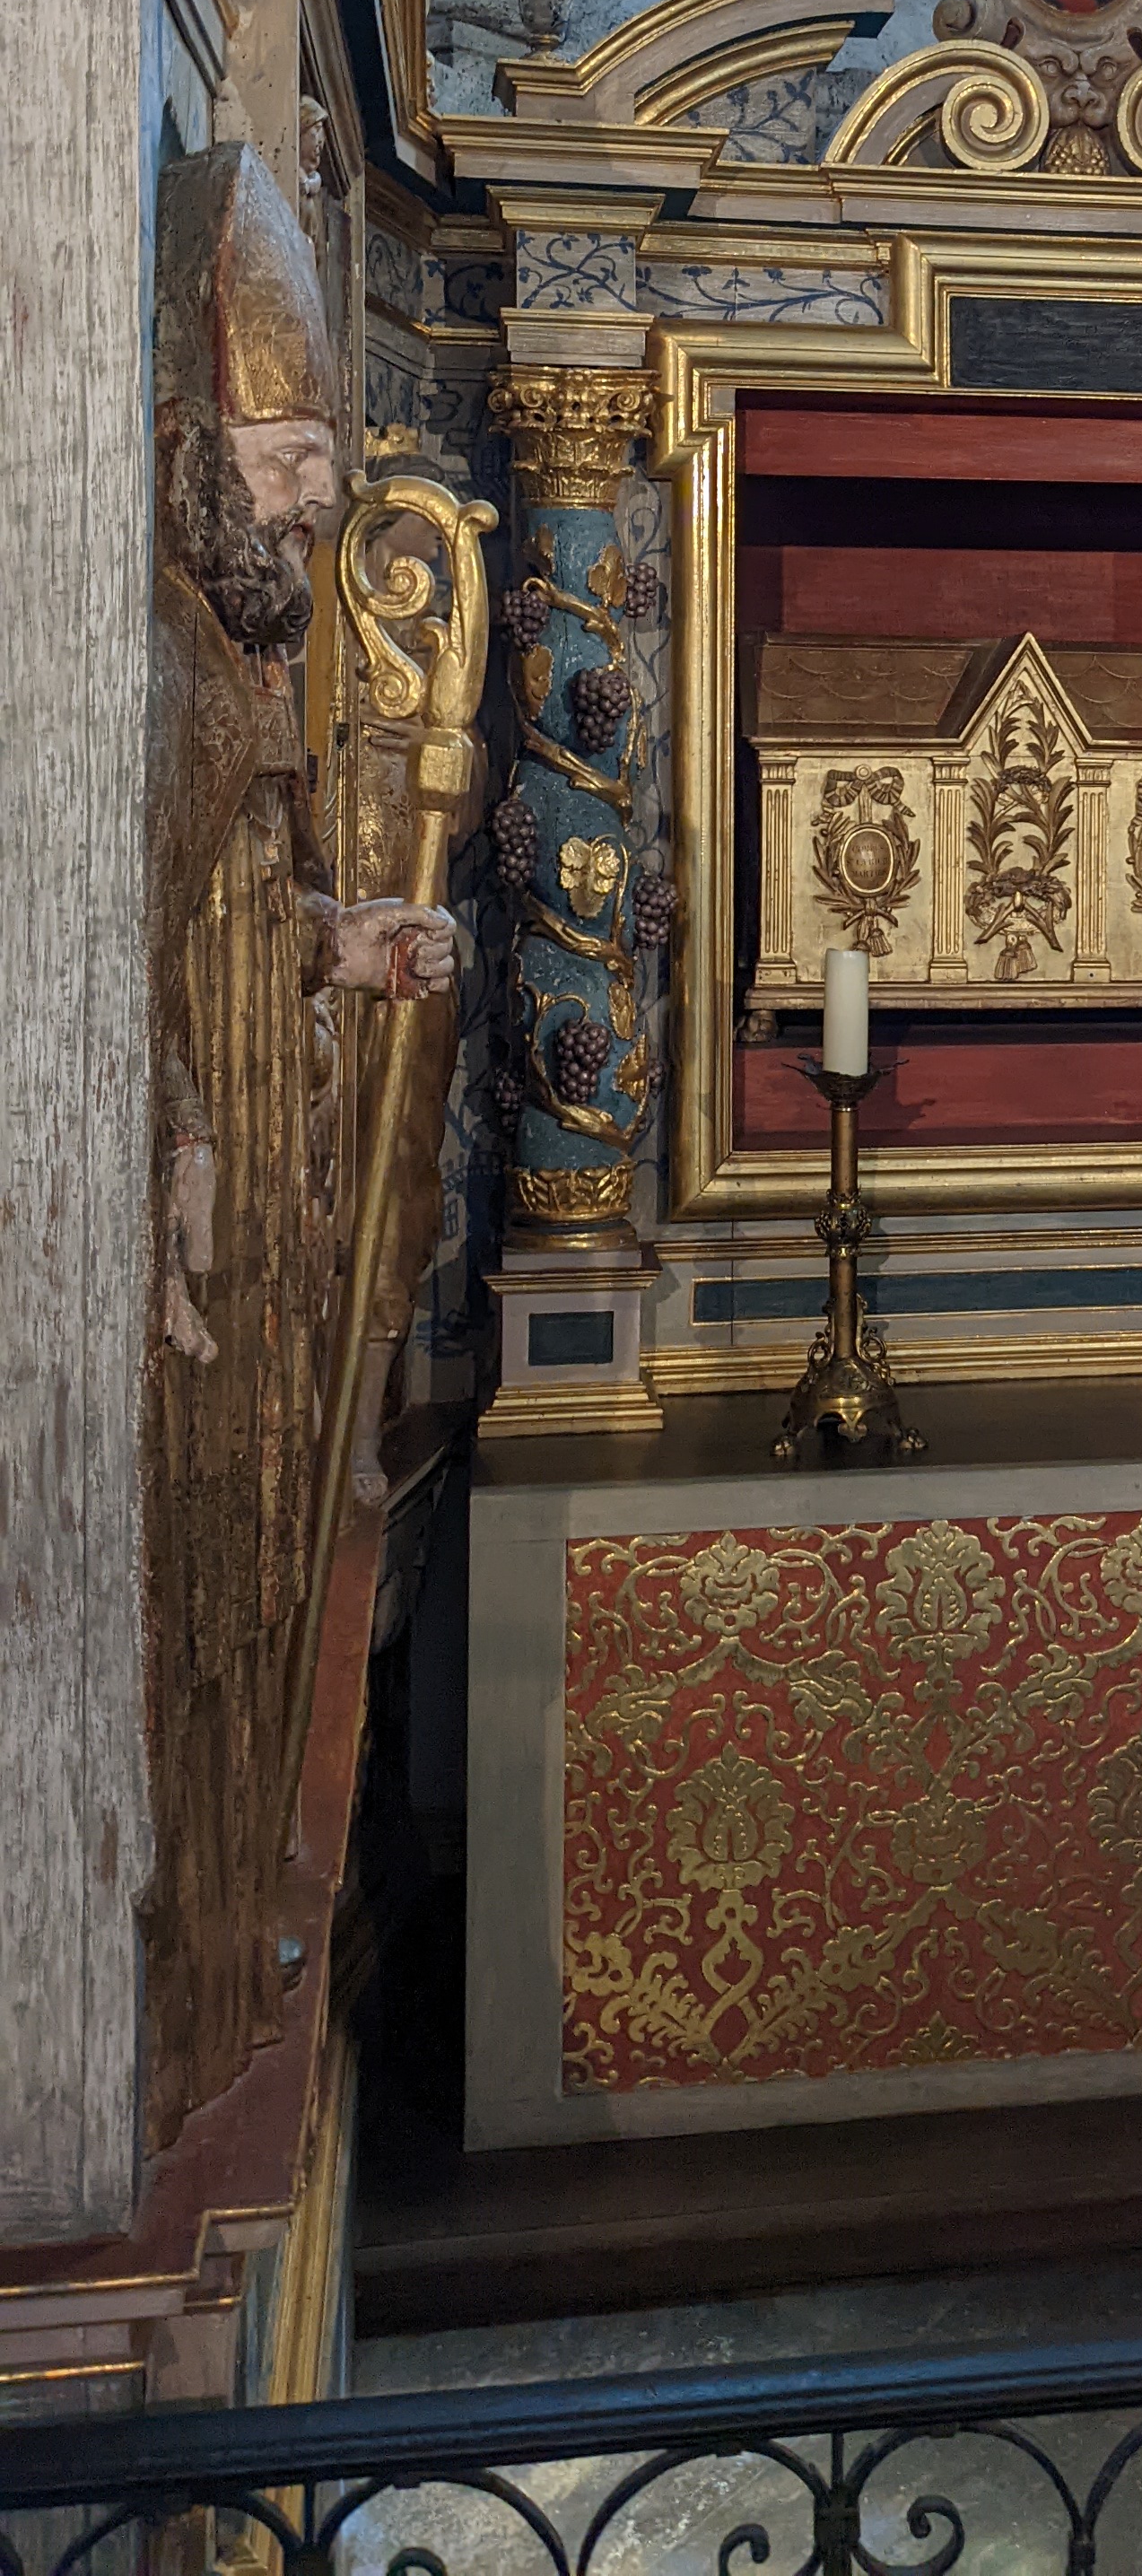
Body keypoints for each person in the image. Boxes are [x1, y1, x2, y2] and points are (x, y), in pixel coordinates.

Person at [144, 144, 454, 2146]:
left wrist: (350, 943)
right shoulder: (161, 669)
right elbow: (109, 953)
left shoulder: (238, 658)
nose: (310, 513)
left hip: (264, 1198)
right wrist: (176, 1133)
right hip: (204, 1214)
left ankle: (224, 1932)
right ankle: (185, 1962)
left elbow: (241, 917)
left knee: (252, 1604)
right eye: (282, 473)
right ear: (191, 455)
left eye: (326, 477)